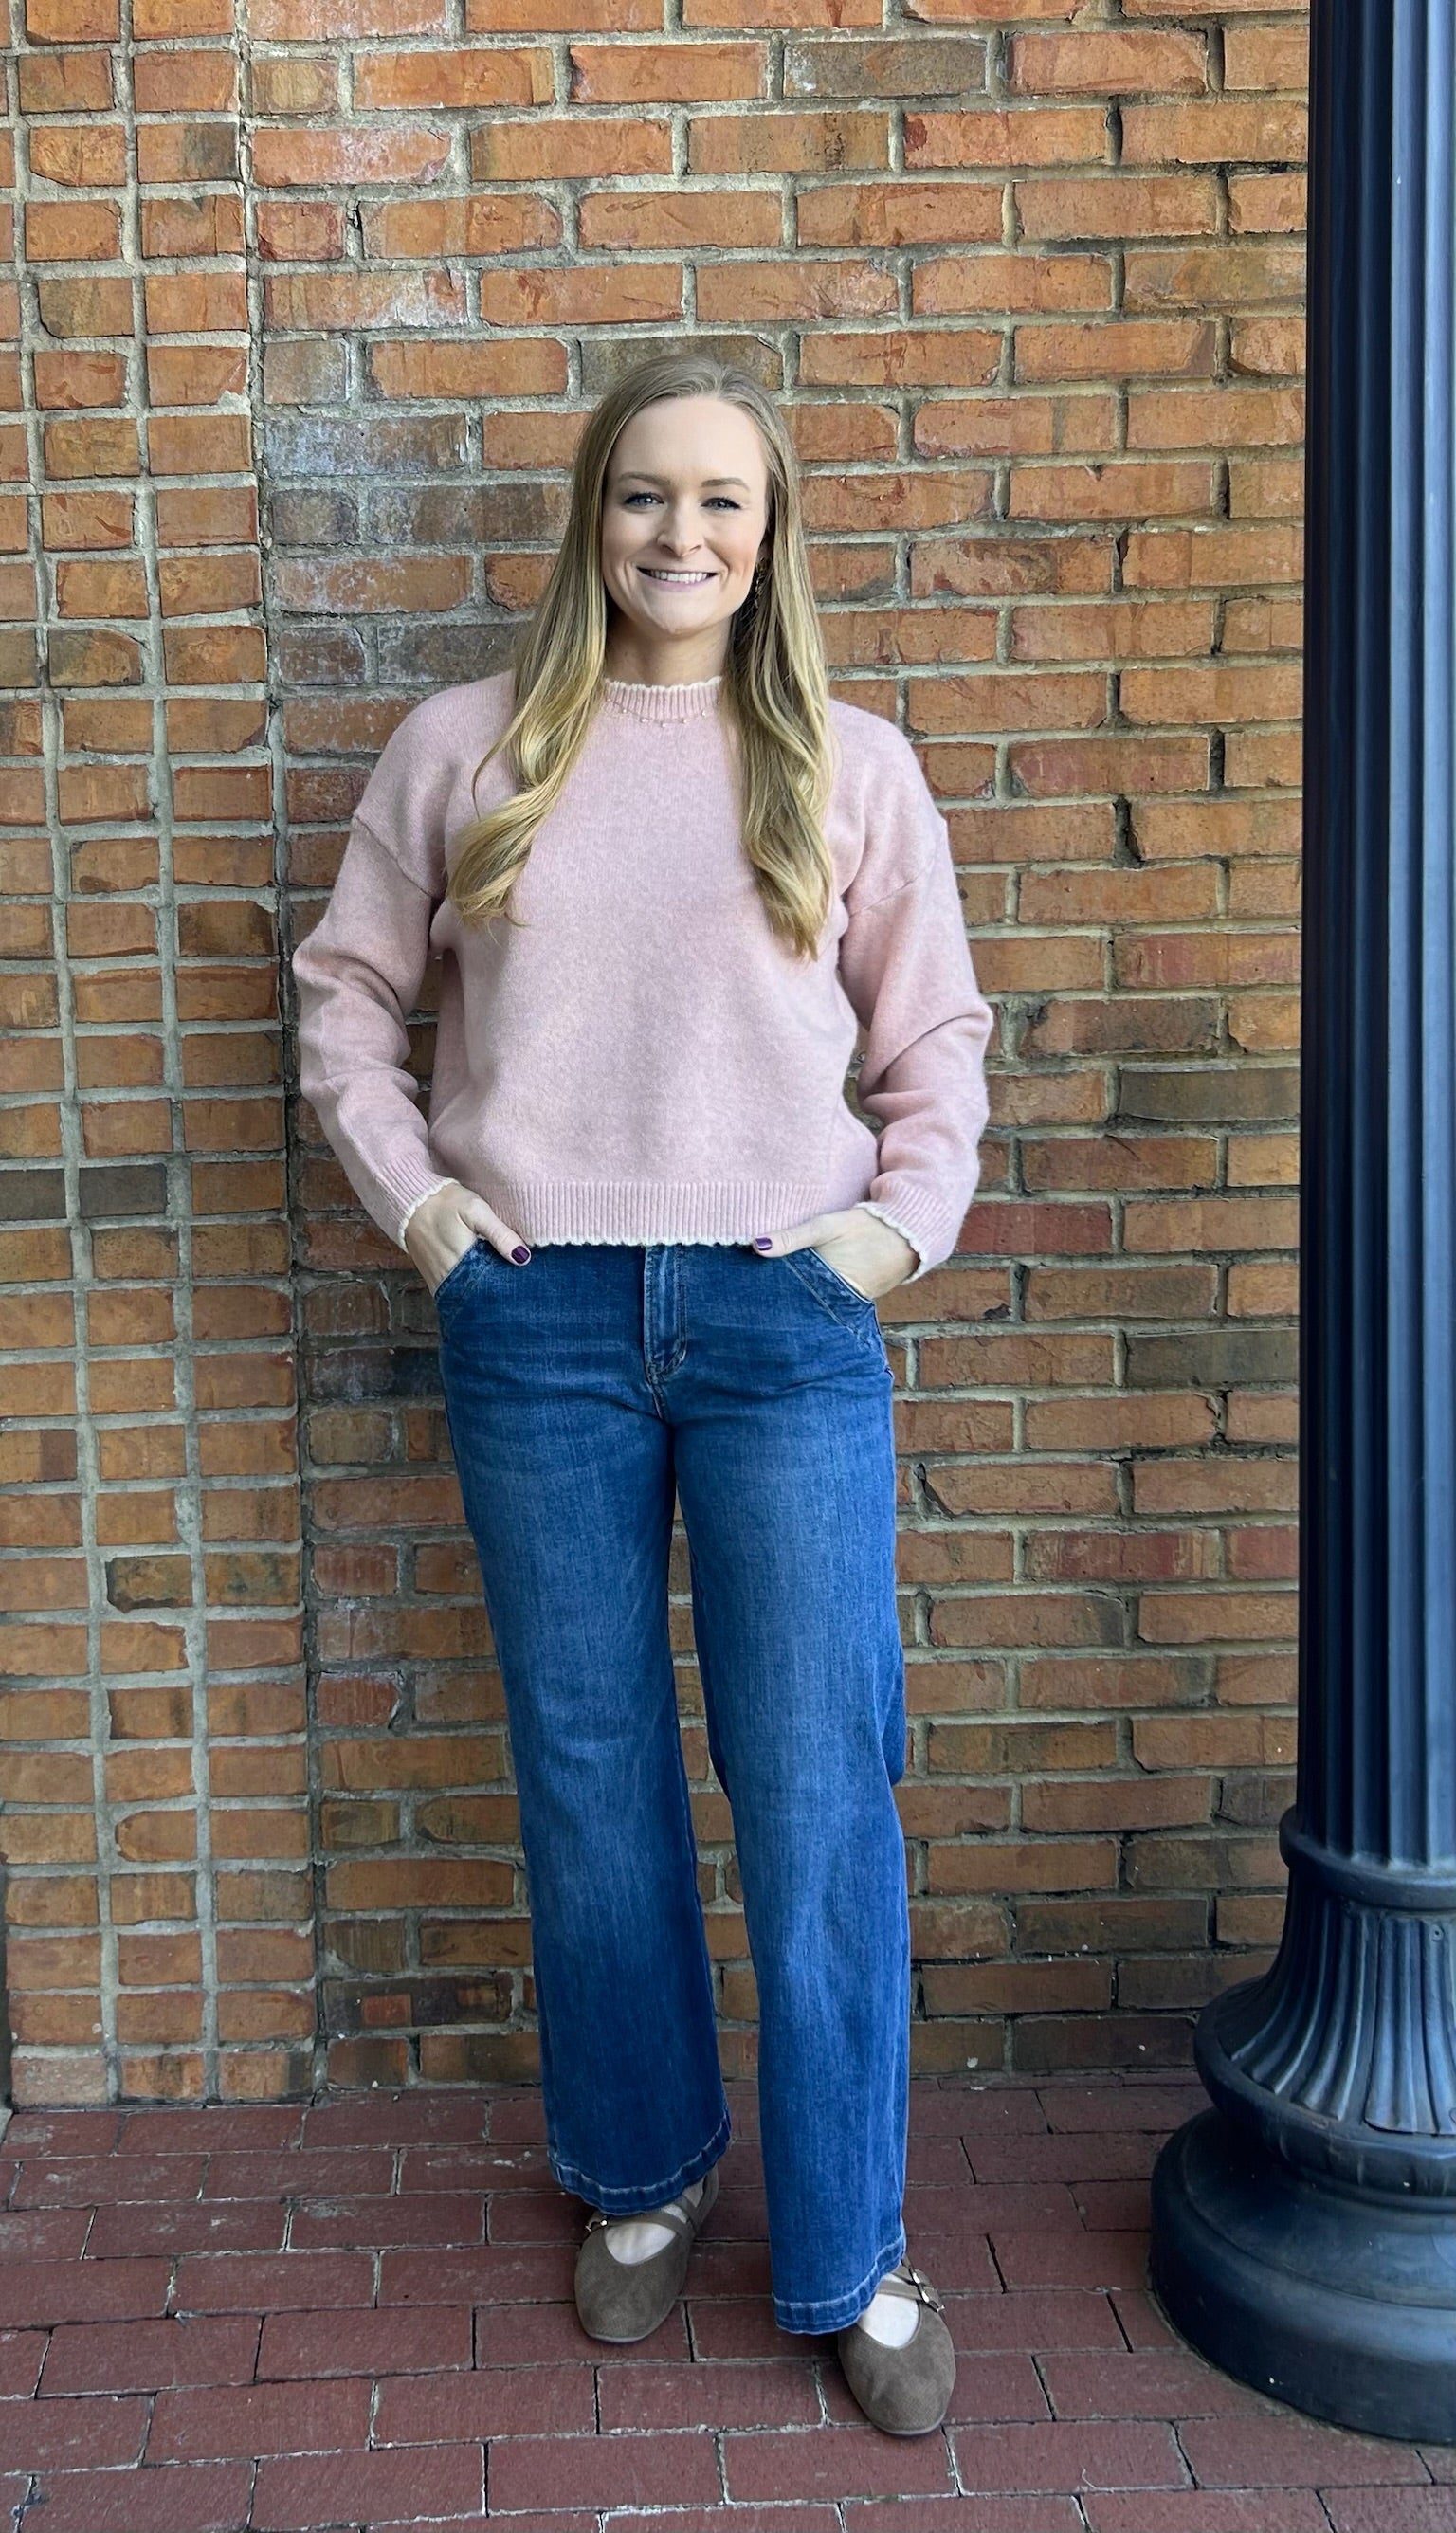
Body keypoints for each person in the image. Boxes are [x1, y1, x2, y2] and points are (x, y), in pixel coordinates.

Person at [291, 348, 993, 2436]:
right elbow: (345, 999)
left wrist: (891, 1232)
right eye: (641, 496)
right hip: (539, 1319)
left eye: (723, 502)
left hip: (787, 1325)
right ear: (587, 517)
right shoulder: (468, 746)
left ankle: (852, 2246)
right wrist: (421, 1211)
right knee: (592, 1778)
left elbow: (935, 1039)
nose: (678, 536)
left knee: (813, 1793)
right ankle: (639, 2171)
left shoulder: (846, 764)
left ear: (772, 538)